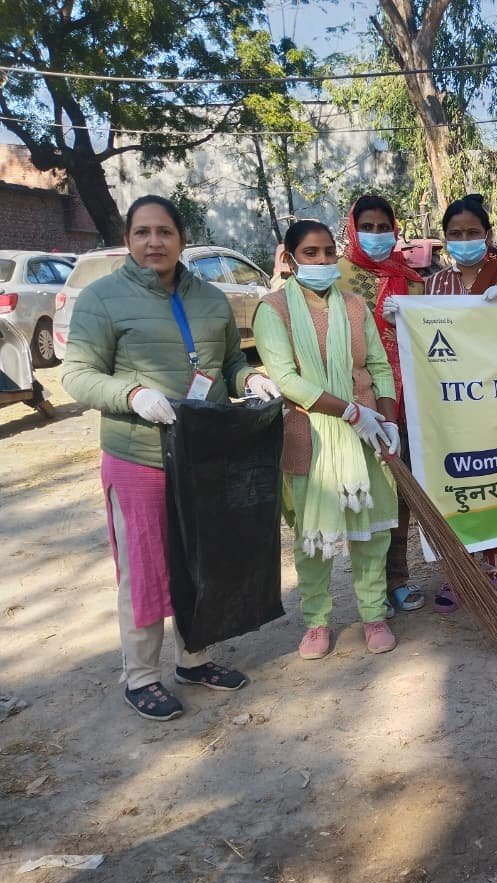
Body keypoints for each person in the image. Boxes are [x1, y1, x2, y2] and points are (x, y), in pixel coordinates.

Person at [63, 195, 273, 720]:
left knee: (202, 561)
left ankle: (194, 659)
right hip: (140, 456)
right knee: (146, 569)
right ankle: (140, 676)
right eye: (142, 232)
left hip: (203, 455)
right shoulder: (102, 299)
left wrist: (251, 379)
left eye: (164, 232)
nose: (153, 242)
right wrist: (132, 394)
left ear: (182, 238)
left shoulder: (211, 298)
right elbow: (77, 375)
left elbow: (229, 364)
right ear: (127, 240)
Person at [254, 220, 400, 661]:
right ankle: (317, 622)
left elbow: (379, 367)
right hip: (310, 434)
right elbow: (286, 380)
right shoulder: (273, 310)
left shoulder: (355, 305)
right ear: (290, 259)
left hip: (367, 432)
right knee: (313, 538)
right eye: (310, 253)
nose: (321, 260)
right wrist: (351, 412)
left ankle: (374, 614)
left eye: (328, 252)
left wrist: (388, 421)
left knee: (372, 532)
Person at [423, 194, 497, 612]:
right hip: (451, 404)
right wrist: (403, 321)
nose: (464, 240)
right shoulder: (434, 285)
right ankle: (460, 575)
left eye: (472, 232)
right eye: (456, 233)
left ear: (487, 234)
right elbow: (426, 342)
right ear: (445, 237)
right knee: (458, 485)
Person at [336, 194, 427, 619]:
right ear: (353, 229)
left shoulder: (411, 281)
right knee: (365, 496)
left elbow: (433, 333)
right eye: (367, 227)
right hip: (355, 403)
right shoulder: (336, 276)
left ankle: (397, 578)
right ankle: (370, 588)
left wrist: (411, 317)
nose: (376, 235)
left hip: (405, 404)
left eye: (383, 227)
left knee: (400, 494)